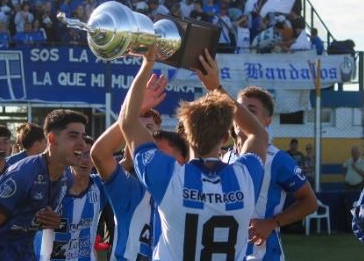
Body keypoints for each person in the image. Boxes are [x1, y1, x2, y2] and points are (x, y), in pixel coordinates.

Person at [119, 47, 267, 260]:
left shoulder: (169, 176)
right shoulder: (245, 177)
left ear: (186, 136)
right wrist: (216, 87)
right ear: (226, 138)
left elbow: (127, 121)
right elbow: (258, 134)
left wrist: (148, 62)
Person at [222, 86, 318, 261]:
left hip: (263, 255)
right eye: (238, 110)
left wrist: (272, 223)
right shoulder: (225, 157)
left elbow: (310, 202)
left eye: (250, 111)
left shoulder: (278, 159)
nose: (241, 117)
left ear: (267, 121)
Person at [0, 109, 88, 261]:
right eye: (73, 136)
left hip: (27, 254)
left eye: (83, 137)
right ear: (51, 138)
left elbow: (33, 218)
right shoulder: (23, 175)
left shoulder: (67, 178)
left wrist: (54, 221)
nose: (82, 144)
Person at [91, 73, 169, 260]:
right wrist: (128, 117)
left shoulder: (172, 173)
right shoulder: (119, 175)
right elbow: (99, 155)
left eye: (148, 128)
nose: (141, 134)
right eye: (136, 128)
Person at [34, 135, 110, 261]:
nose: (83, 160)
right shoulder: (52, 186)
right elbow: (26, 220)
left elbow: (124, 167)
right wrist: (40, 221)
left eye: (88, 155)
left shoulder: (99, 186)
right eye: (78, 154)